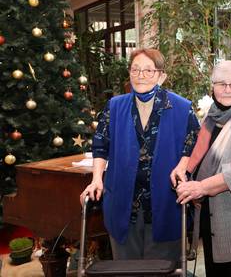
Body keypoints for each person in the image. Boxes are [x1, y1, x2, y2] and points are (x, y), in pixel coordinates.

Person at [80, 48, 199, 261]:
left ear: (161, 75)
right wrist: (96, 179)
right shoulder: (115, 106)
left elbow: (193, 144)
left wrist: (182, 166)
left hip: (165, 201)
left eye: (148, 70)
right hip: (123, 201)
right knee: (126, 268)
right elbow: (100, 145)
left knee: (162, 270)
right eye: (135, 70)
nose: (140, 75)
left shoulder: (182, 107)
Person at [171, 60, 231, 277]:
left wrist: (200, 187)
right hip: (212, 218)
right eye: (221, 83)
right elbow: (199, 154)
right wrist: (184, 167)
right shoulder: (212, 117)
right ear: (212, 86)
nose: (228, 89)